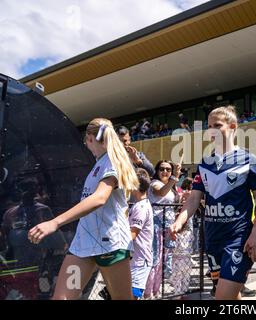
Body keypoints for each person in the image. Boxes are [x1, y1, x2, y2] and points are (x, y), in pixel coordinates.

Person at [28, 118, 139, 300]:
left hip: (109, 244)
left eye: (86, 142)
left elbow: (100, 198)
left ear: (89, 138)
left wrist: (55, 222)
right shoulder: (98, 164)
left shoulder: (112, 162)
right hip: (83, 245)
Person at [169, 106, 256, 300]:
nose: (211, 130)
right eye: (209, 125)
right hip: (212, 239)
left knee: (221, 298)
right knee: (231, 296)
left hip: (238, 239)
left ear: (232, 127)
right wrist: (180, 220)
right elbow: (194, 198)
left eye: (217, 125)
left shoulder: (249, 159)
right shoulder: (205, 163)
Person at [145, 160, 181, 299]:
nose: (165, 172)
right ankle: (148, 293)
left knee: (163, 261)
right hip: (156, 225)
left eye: (168, 169)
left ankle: (156, 290)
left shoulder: (170, 186)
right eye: (162, 169)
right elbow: (160, 193)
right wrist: (174, 178)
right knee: (154, 260)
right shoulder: (155, 183)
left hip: (168, 225)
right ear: (157, 170)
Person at [128, 168, 154, 300]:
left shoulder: (141, 208)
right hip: (134, 260)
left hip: (139, 262)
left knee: (132, 297)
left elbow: (132, 234)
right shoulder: (138, 205)